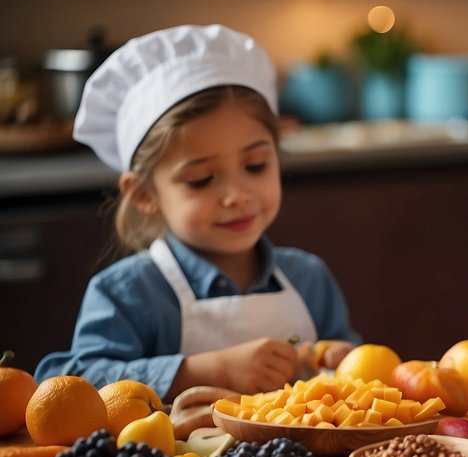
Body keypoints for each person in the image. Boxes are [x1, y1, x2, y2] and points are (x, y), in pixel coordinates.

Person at [36, 24, 359, 400]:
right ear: (144, 194)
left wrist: (341, 359)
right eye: (202, 179)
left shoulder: (309, 279)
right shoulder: (128, 293)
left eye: (255, 165)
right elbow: (67, 384)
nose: (236, 195)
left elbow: (351, 376)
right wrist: (204, 370)